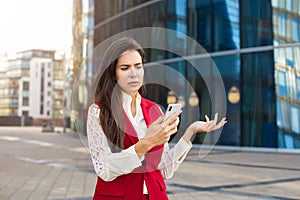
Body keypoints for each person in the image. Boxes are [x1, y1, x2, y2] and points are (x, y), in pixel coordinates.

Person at [86, 37, 227, 200]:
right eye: (125, 68)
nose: (133, 74)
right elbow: (104, 169)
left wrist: (190, 131)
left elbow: (164, 170)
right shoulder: (98, 111)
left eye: (138, 67)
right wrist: (147, 143)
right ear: (113, 74)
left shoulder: (154, 110)